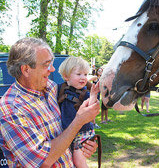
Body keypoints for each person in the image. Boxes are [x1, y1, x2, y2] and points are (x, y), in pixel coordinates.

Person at [0, 38, 99, 167]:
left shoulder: (51, 88)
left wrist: (82, 145)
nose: (52, 69)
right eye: (46, 64)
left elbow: (64, 135)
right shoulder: (11, 108)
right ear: (26, 70)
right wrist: (78, 122)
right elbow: (43, 161)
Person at [58, 56, 99, 168]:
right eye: (79, 74)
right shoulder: (59, 89)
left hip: (82, 132)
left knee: (78, 160)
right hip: (69, 132)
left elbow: (91, 108)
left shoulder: (84, 93)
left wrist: (94, 95)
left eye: (85, 74)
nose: (83, 78)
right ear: (66, 76)